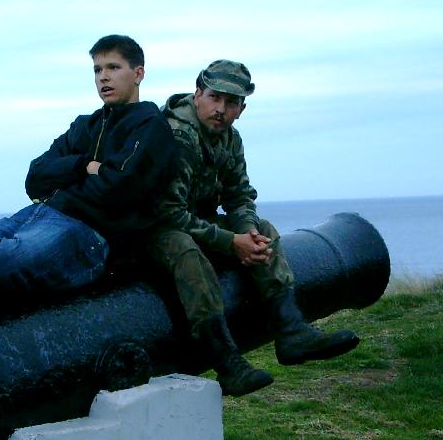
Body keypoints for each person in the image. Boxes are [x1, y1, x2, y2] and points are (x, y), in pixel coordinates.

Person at [0, 35, 176, 301]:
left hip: (88, 232)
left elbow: (118, 190)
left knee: (1, 263)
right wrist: (84, 165)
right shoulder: (84, 125)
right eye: (97, 69)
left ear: (138, 74)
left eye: (113, 67)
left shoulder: (149, 125)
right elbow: (35, 177)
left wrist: (65, 180)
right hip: (38, 214)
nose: (103, 77)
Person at [149, 59, 359, 395]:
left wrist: (248, 234)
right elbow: (168, 213)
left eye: (231, 102)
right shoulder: (177, 136)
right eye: (215, 98)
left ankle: (292, 331)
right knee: (185, 251)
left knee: (263, 229)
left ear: (241, 109)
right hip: (153, 228)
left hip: (194, 222)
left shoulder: (229, 139)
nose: (221, 109)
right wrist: (231, 242)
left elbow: (239, 196)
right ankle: (227, 364)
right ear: (198, 94)